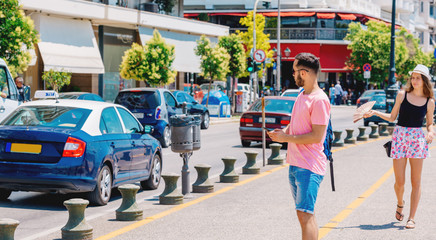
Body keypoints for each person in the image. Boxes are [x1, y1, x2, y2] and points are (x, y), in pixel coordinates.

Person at [363, 64, 435, 229]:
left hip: (417, 139)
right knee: (400, 182)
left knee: (416, 181)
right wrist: (375, 112)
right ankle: (400, 202)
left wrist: (430, 132)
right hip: (400, 137)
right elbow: (392, 117)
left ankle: (411, 218)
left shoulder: (429, 101)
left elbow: (430, 123)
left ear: (424, 80)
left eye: (418, 77)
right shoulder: (402, 95)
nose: (414, 80)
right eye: (413, 77)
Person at [268, 53, 330, 240]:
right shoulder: (303, 95)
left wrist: (286, 138)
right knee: (304, 214)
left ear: (303, 73)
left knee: (305, 214)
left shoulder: (319, 100)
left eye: (294, 71)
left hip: (310, 166)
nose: (292, 74)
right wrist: (283, 132)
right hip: (296, 164)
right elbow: (298, 125)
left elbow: (317, 136)